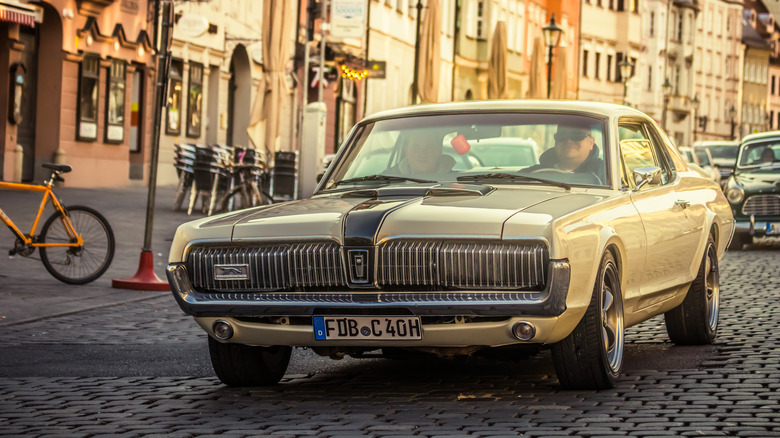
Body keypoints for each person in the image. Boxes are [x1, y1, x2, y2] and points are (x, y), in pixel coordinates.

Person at [527, 119, 605, 182]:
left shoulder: (605, 173)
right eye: (562, 136)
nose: (568, 140)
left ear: (591, 142)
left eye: (577, 135)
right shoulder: (531, 174)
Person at [388, 130, 455, 175]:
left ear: (439, 150)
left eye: (429, 147)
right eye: (416, 147)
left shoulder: (455, 182)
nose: (422, 154)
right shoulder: (387, 181)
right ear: (406, 151)